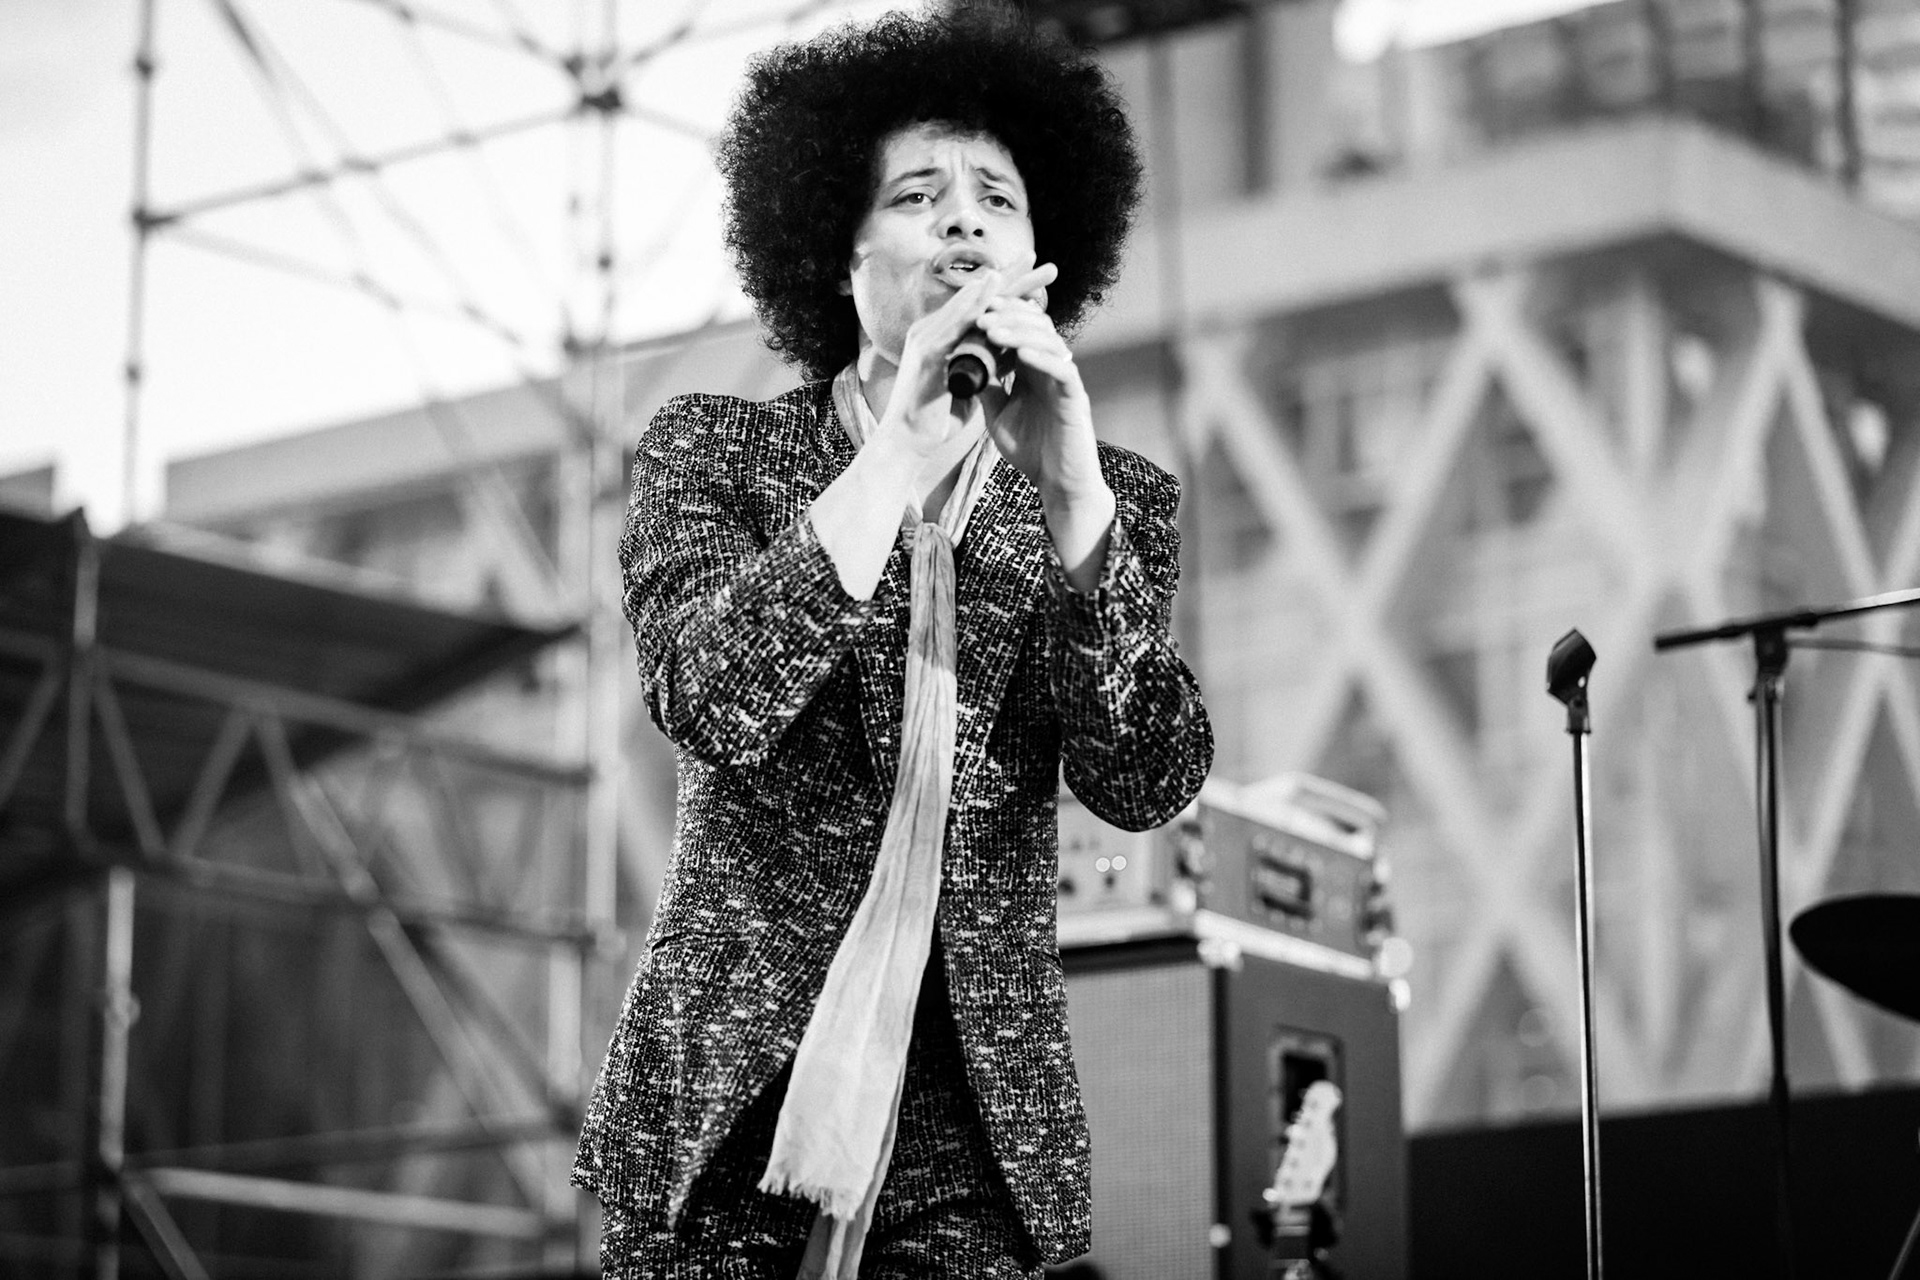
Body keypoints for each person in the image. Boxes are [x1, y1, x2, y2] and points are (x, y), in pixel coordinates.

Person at [573, 9, 1212, 1278]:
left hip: (969, 1127)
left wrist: (1078, 498)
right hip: (728, 1105)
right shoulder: (716, 451)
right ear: (838, 250)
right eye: (918, 195)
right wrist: (898, 458)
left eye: (999, 200)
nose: (965, 223)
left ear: (1046, 255)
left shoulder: (1109, 496)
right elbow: (712, 691)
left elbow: (1147, 777)